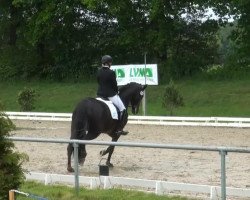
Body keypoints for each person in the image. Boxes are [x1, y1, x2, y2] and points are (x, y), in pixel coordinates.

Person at [97, 55, 128, 136]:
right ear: (109, 63)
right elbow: (114, 84)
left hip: (100, 94)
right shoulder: (111, 72)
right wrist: (116, 91)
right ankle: (119, 128)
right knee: (123, 109)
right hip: (110, 95)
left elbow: (99, 82)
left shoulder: (99, 71)